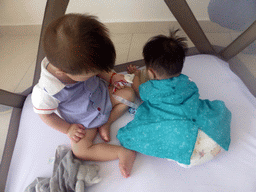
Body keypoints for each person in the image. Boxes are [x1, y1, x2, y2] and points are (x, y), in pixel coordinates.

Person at [31, 13, 136, 178]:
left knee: (129, 94)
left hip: (104, 97)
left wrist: (112, 77)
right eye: (91, 74)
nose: (96, 73)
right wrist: (68, 129)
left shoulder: (81, 61)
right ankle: (121, 153)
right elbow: (46, 115)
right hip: (82, 122)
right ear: (63, 72)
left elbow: (100, 69)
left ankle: (106, 123)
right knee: (80, 150)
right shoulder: (46, 91)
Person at [117, 29, 231, 167]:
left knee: (128, 135)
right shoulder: (188, 82)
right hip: (215, 139)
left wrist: (135, 75)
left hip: (187, 151)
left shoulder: (151, 89)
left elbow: (138, 89)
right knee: (208, 109)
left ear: (151, 72)